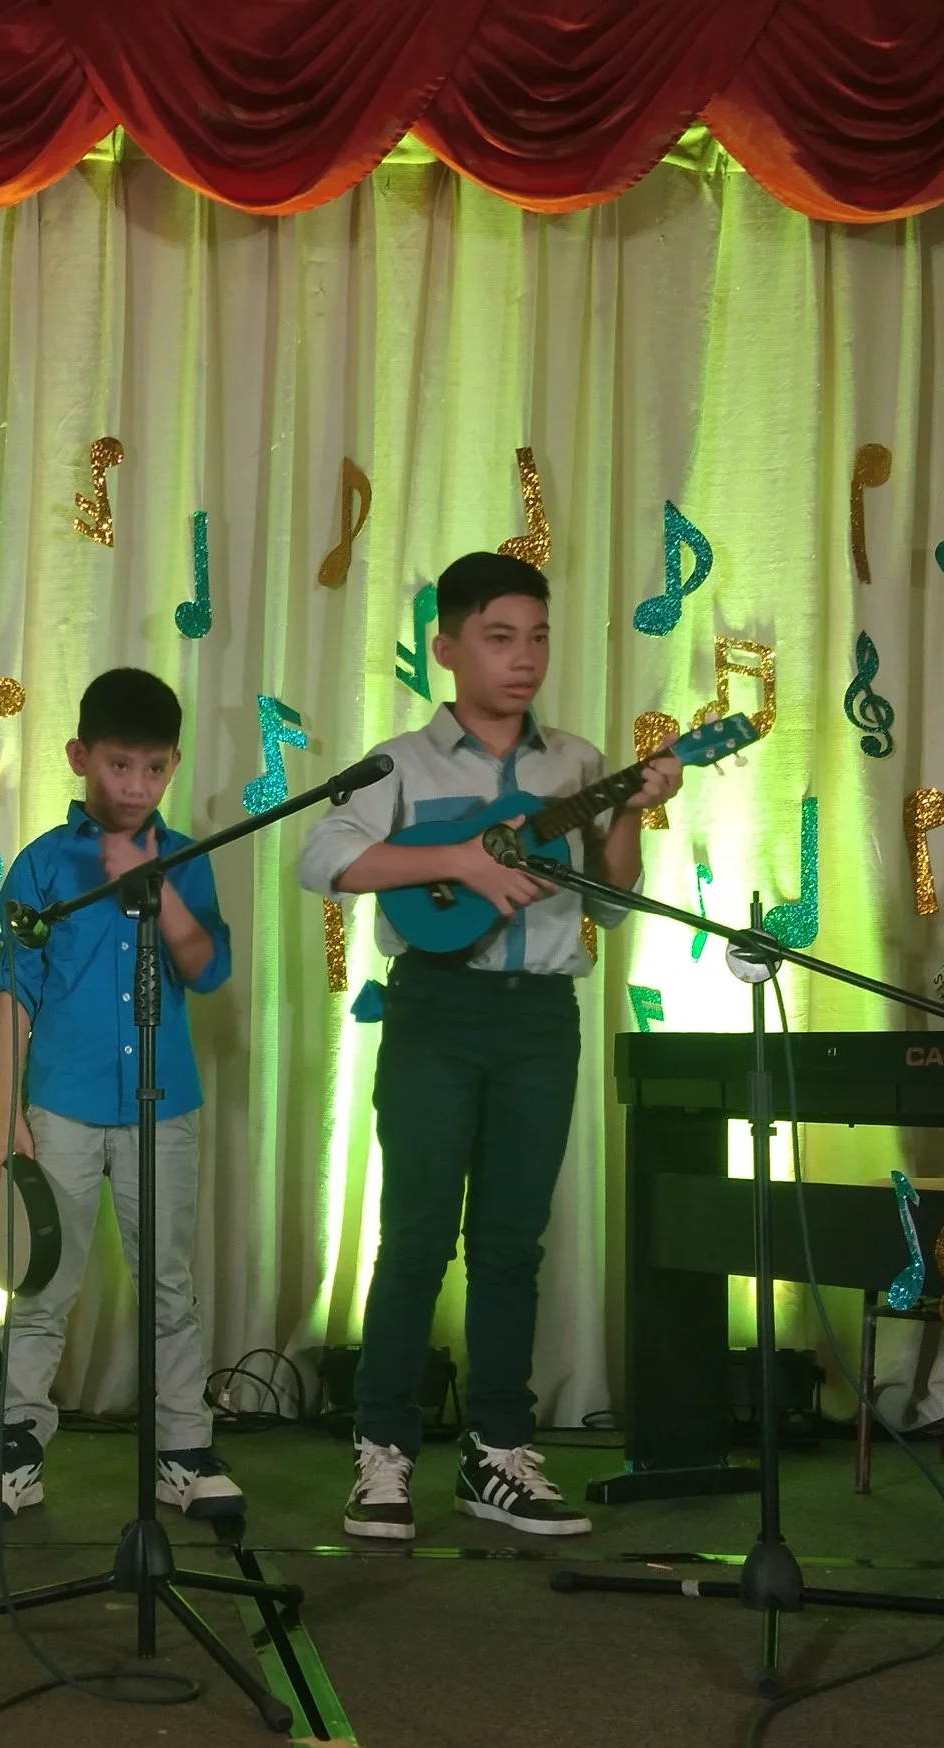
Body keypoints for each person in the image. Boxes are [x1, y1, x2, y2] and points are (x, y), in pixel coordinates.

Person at [297, 551, 680, 1541]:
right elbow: (324, 858)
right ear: (447, 647)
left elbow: (610, 896)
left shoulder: (578, 764)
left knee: (512, 1241)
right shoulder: (401, 762)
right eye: (499, 637)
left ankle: (498, 1454)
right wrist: (457, 857)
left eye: (538, 637)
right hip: (434, 1009)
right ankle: (382, 1453)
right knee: (416, 1236)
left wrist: (631, 812)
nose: (523, 659)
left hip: (541, 1020)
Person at [0, 669, 243, 1520]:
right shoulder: (44, 865)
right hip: (61, 1105)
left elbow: (209, 966)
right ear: (81, 756)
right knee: (43, 1280)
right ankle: (17, 1441)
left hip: (167, 1103)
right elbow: (13, 992)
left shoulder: (182, 857)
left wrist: (155, 891)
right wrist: (5, 1115)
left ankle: (183, 1447)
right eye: (119, 765)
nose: (135, 786)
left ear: (174, 766)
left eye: (154, 769)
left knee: (169, 1283)